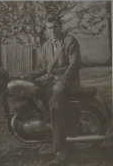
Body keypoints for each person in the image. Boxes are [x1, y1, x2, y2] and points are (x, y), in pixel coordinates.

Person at [23, 13, 81, 166]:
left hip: (67, 83)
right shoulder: (46, 45)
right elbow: (43, 67)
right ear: (46, 30)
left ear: (60, 27)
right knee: (30, 92)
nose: (53, 30)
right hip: (51, 82)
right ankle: (45, 133)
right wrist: (28, 76)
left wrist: (62, 82)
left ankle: (61, 153)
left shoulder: (69, 41)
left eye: (55, 27)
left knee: (55, 107)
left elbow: (74, 65)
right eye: (49, 28)